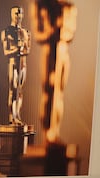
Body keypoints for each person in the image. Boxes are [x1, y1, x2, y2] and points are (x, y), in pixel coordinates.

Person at [31, 0, 77, 143]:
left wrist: (61, 32)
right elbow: (38, 34)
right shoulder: (41, 4)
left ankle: (55, 132)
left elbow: (70, 33)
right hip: (49, 52)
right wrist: (52, 32)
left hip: (62, 52)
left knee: (59, 94)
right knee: (48, 92)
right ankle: (47, 133)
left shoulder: (69, 7)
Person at [1, 6, 31, 125]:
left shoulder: (26, 32)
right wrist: (17, 49)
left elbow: (28, 50)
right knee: (13, 90)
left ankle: (18, 115)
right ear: (11, 14)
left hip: (23, 65)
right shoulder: (6, 31)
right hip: (13, 63)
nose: (18, 16)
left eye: (20, 13)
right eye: (15, 13)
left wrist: (22, 49)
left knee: (20, 91)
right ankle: (12, 117)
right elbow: (6, 52)